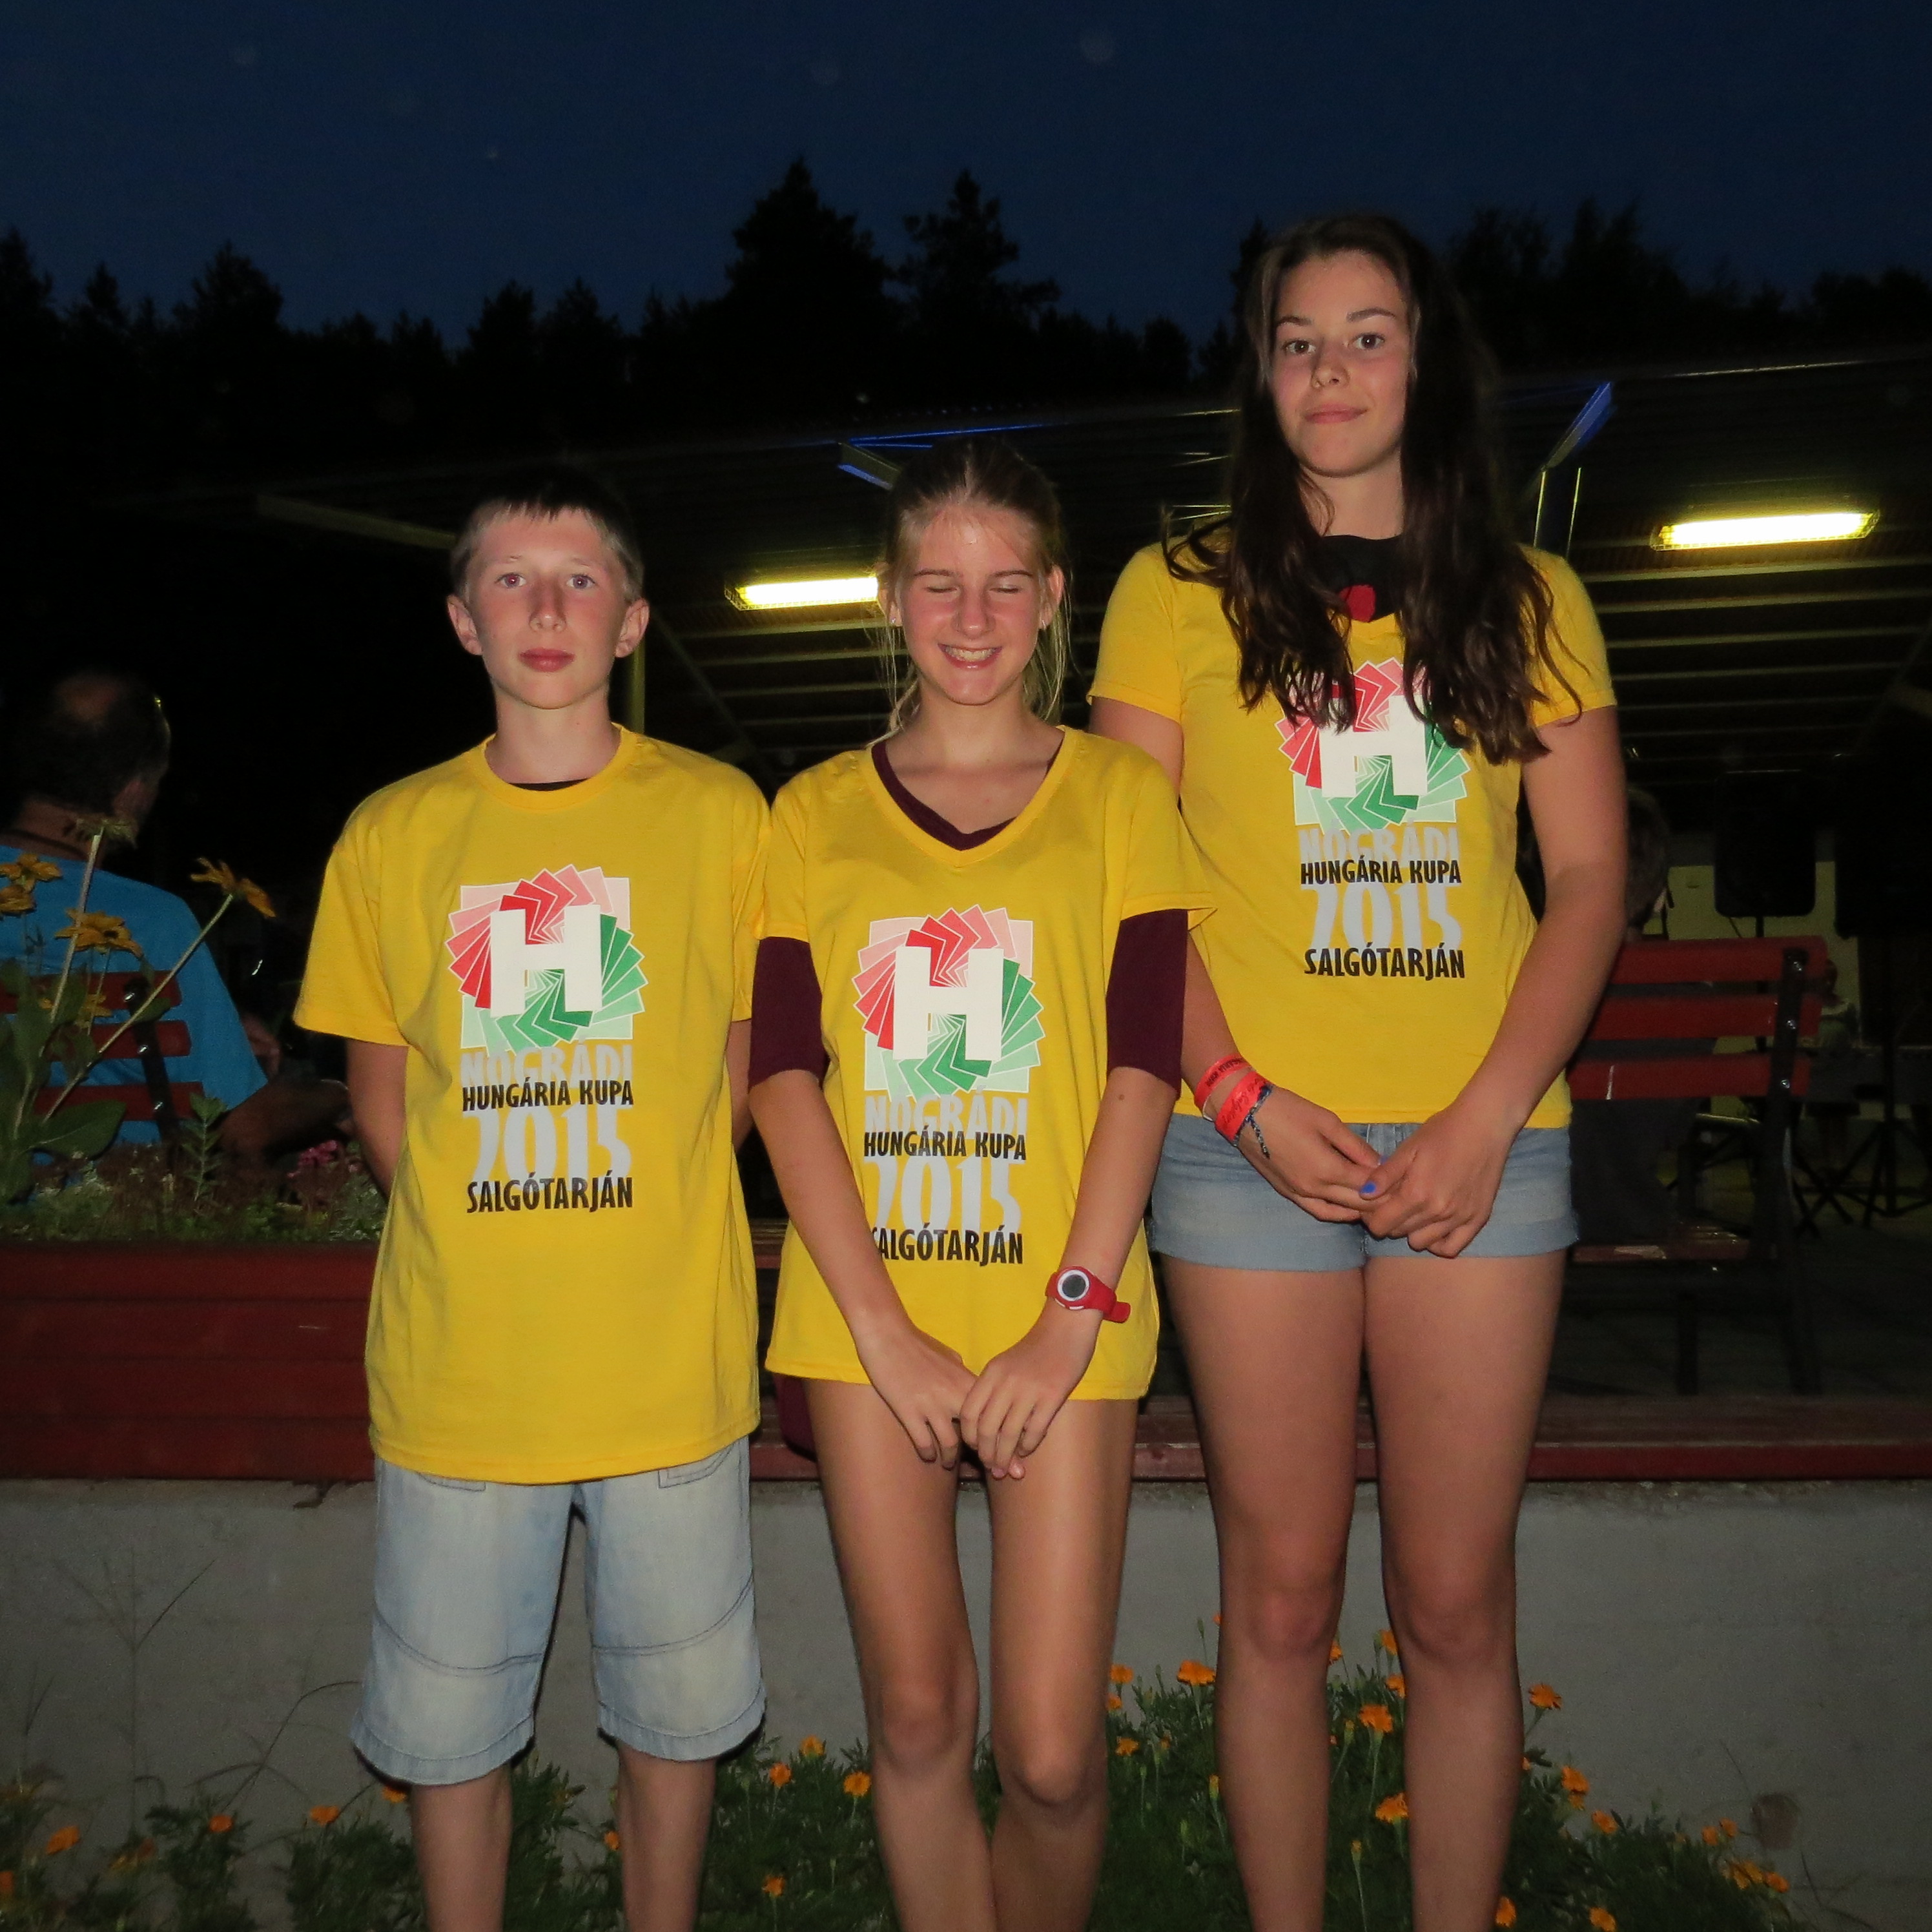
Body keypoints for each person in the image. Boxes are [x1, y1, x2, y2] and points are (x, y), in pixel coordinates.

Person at [1090, 214, 1625, 1932]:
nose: (1330, 369)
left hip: (1484, 1152)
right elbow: (1124, 887)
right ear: (1260, 373)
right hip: (1242, 1149)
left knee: (1454, 1604)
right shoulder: (1171, 591)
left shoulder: (1532, 598)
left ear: (1423, 360)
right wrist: (1236, 1099)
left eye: (1367, 333)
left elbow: (1589, 881)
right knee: (1281, 1600)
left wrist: (1482, 1118)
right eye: (1298, 338)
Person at [294, 467, 768, 1932]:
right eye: (510, 578)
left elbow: (750, 1061)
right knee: (449, 1742)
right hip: (461, 1378)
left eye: (579, 580)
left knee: (675, 1727)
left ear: (631, 620)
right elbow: (381, 1096)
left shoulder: (721, 815)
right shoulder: (391, 832)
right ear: (463, 619)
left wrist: (645, 1203)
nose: (545, 606)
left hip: (667, 1374)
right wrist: (485, 1226)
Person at [750, 439, 1206, 1932]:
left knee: (1055, 1754)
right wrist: (880, 1333)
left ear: (1053, 597)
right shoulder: (808, 811)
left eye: (1003, 583)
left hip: (1059, 1317)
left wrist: (1068, 1314)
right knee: (917, 1716)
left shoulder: (1121, 794)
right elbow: (780, 1074)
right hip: (865, 1322)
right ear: (888, 596)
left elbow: (1143, 1063)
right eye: (936, 583)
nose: (969, 616)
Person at [0, 669, 334, 1158]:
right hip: (101, 1199)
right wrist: (340, 1096)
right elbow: (241, 1128)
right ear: (134, 791)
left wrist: (214, 1026)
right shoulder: (151, 923)